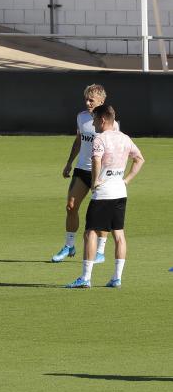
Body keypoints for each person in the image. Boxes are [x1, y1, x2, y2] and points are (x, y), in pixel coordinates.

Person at [66, 104, 144, 288]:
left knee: (90, 232)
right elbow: (140, 159)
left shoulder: (100, 139)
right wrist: (126, 180)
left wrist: (94, 182)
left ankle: (85, 278)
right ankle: (117, 278)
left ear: (102, 120)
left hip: (103, 194)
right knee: (119, 234)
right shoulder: (125, 138)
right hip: (120, 191)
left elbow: (96, 160)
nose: (92, 123)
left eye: (94, 120)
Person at [51, 84, 113, 263]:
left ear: (101, 101)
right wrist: (69, 163)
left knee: (101, 212)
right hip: (81, 170)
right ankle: (69, 246)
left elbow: (114, 148)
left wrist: (108, 173)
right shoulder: (81, 117)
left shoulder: (111, 123)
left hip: (101, 173)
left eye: (91, 100)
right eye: (86, 99)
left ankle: (100, 251)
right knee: (71, 206)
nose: (87, 102)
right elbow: (79, 140)